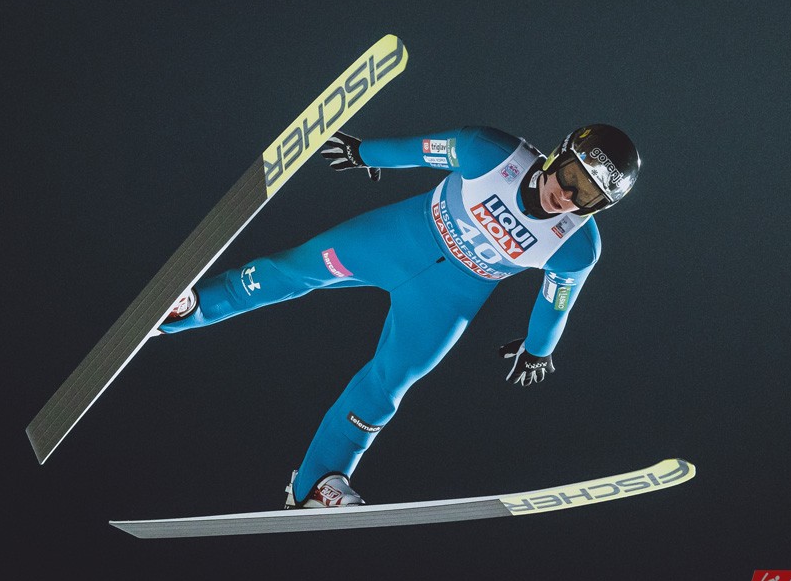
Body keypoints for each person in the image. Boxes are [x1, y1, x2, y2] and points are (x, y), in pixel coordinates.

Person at [159, 124, 641, 508]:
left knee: (391, 382)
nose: (568, 197)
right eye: (572, 177)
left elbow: (558, 301)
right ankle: (194, 307)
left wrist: (538, 350)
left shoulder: (576, 246)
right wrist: (363, 153)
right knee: (295, 269)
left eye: (588, 197)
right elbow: (424, 150)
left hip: (445, 300)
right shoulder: (492, 153)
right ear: (558, 155)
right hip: (393, 240)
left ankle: (317, 484)